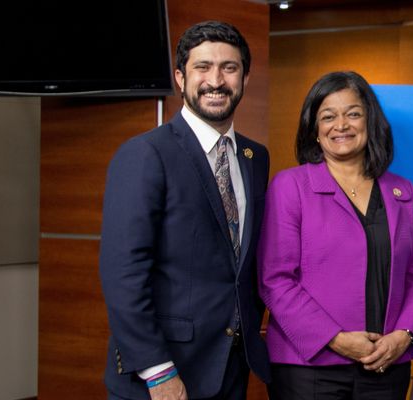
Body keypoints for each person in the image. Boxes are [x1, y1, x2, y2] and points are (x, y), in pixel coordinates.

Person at [100, 21, 271, 400]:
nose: (216, 80)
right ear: (180, 77)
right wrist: (158, 372)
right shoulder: (146, 153)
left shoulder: (254, 157)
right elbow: (123, 272)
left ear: (245, 77)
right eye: (202, 67)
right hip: (164, 374)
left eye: (229, 67)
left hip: (230, 367)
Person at [258, 71, 413, 400]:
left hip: (386, 364)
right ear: (314, 130)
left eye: (353, 113)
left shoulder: (403, 193)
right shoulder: (290, 187)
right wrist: (336, 338)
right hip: (308, 367)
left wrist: (404, 335)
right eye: (328, 116)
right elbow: (275, 280)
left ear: (370, 122)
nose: (341, 125)